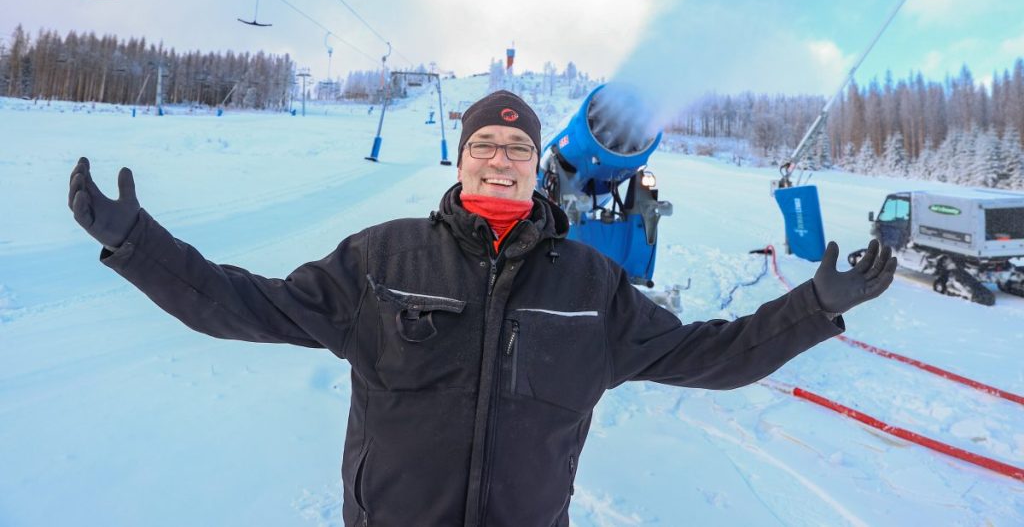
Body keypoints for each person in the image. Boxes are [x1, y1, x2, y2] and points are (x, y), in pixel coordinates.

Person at [68, 90, 896, 527]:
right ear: (462, 161)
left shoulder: (589, 286)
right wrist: (140, 246)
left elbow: (711, 357)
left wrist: (813, 309)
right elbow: (241, 305)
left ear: (540, 168)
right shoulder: (380, 259)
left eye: (518, 150)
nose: (501, 160)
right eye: (484, 147)